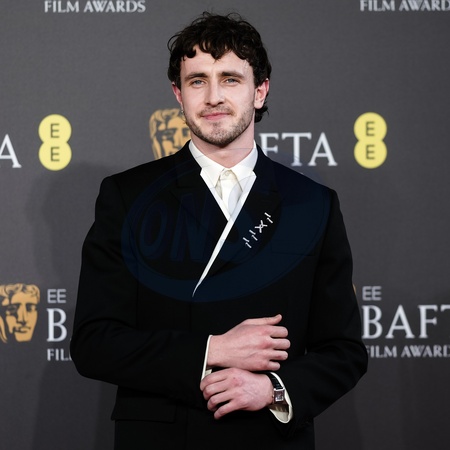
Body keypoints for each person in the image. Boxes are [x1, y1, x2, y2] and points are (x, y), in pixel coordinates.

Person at [70, 12, 368, 449]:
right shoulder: (129, 197)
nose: (213, 97)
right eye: (197, 81)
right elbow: (94, 342)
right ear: (178, 94)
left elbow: (344, 350)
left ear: (259, 90)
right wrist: (212, 350)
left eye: (230, 79)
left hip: (269, 438)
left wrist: (273, 390)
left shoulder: (311, 204)